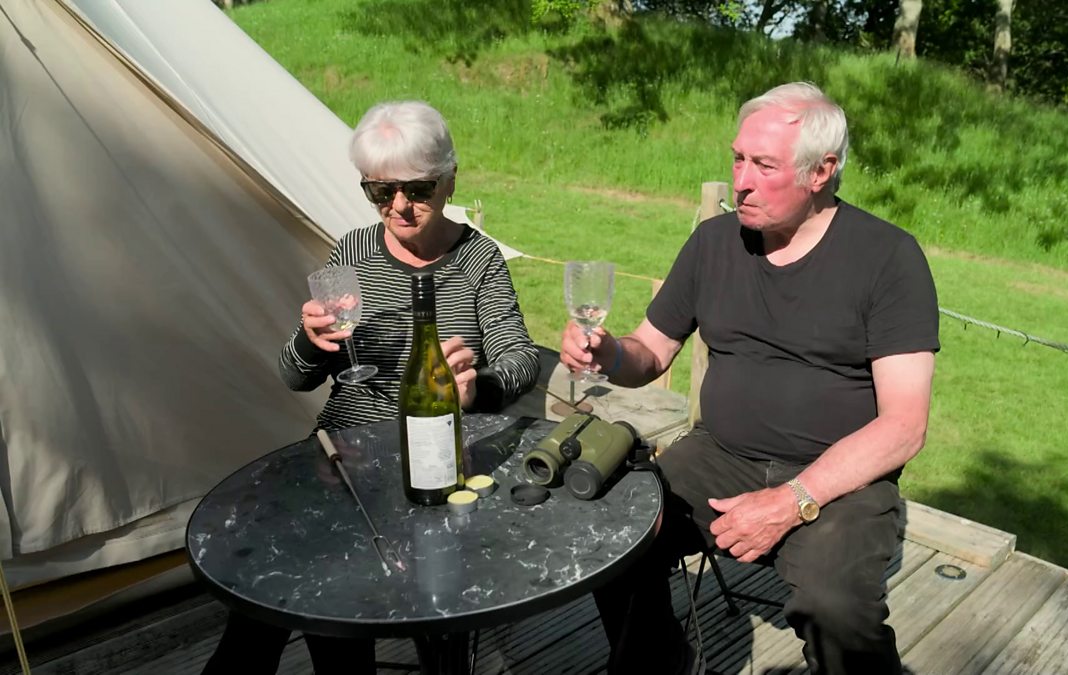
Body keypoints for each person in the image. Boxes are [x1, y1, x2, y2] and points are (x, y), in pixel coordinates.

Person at [560, 82, 939, 675]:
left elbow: (904, 426)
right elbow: (650, 352)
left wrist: (792, 500)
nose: (741, 180)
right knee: (614, 532)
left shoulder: (888, 258)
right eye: (738, 159)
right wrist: (608, 353)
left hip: (841, 482)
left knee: (836, 609)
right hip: (719, 455)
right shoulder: (714, 242)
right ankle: (659, 662)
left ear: (822, 172)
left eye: (764, 165)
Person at [203, 100, 540, 675]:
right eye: (381, 191)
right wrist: (312, 340)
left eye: (418, 189)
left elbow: (521, 357)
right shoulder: (353, 251)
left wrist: (476, 388)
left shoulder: (477, 259)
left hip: (433, 454)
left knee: (333, 577)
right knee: (271, 585)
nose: (400, 206)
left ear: (450, 179)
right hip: (344, 450)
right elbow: (294, 377)